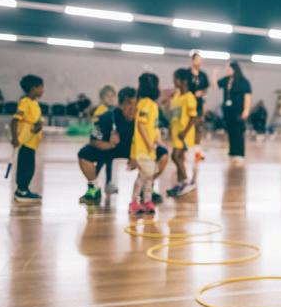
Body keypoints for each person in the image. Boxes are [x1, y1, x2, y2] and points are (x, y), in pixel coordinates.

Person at [78, 87, 169, 205]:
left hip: (136, 150)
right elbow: (93, 140)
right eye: (129, 103)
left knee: (163, 154)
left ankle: (147, 186)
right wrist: (108, 144)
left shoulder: (144, 117)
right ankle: (93, 188)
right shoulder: (107, 117)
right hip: (111, 149)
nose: (133, 108)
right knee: (84, 154)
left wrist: (138, 156)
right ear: (120, 105)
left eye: (136, 104)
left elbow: (156, 135)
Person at [129, 73, 161, 215]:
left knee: (148, 177)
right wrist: (148, 144)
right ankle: (134, 202)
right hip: (143, 149)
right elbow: (141, 125)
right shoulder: (146, 104)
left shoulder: (151, 104)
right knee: (143, 177)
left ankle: (147, 201)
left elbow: (152, 126)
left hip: (149, 149)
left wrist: (157, 140)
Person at [10, 75, 44, 203]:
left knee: (30, 167)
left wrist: (39, 125)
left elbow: (36, 119)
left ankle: (24, 189)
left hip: (33, 142)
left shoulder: (34, 103)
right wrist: (15, 139)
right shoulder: (25, 102)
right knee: (26, 167)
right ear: (33, 88)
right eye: (41, 87)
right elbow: (14, 121)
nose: (43, 90)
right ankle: (22, 191)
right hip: (26, 141)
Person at [167, 68, 198, 197]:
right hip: (176, 134)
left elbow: (193, 118)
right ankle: (180, 183)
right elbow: (173, 116)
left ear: (183, 81)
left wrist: (184, 133)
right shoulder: (176, 97)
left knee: (175, 156)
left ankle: (186, 181)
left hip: (184, 135)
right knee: (179, 158)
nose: (174, 81)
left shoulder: (189, 97)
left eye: (176, 79)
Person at [216, 61, 251, 163]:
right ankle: (232, 152)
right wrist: (214, 75)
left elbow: (247, 96)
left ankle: (239, 153)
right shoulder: (226, 80)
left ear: (235, 69)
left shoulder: (243, 82)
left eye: (229, 69)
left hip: (238, 111)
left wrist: (246, 110)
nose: (227, 71)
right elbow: (215, 86)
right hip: (228, 111)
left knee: (238, 132)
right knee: (230, 131)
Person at [90, 85, 118, 193]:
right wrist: (99, 141)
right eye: (107, 96)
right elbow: (96, 127)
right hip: (102, 142)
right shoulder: (100, 110)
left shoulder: (114, 110)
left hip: (109, 142)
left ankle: (108, 183)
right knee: (101, 162)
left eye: (112, 96)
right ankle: (93, 183)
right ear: (102, 98)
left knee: (108, 162)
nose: (110, 98)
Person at [187, 52, 209, 162]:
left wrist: (201, 94)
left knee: (198, 128)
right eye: (198, 59)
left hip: (198, 105)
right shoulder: (187, 74)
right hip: (187, 105)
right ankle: (186, 150)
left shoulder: (203, 75)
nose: (200, 62)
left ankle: (197, 151)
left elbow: (205, 90)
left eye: (201, 60)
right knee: (187, 127)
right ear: (193, 60)